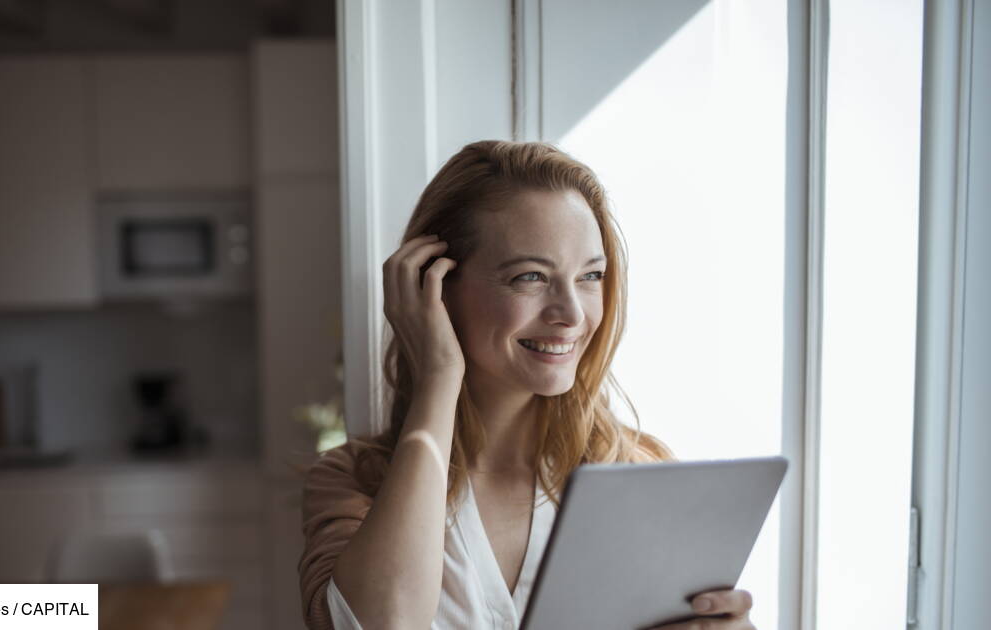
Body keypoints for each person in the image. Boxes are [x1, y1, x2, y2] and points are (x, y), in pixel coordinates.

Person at [298, 141, 755, 629]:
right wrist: (438, 378)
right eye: (531, 276)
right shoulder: (356, 482)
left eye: (590, 275)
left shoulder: (641, 476)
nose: (573, 315)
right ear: (435, 287)